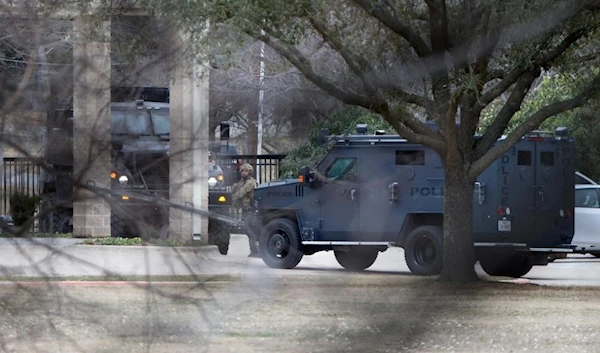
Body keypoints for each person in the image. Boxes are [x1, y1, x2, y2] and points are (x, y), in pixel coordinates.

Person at [232, 163, 259, 257]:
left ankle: (256, 250)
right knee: (248, 230)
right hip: (245, 210)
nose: (244, 173)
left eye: (246, 171)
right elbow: (234, 190)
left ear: (250, 172)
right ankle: (254, 250)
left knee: (252, 230)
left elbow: (240, 193)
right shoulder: (241, 182)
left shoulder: (251, 182)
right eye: (242, 171)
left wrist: (234, 196)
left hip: (252, 210)